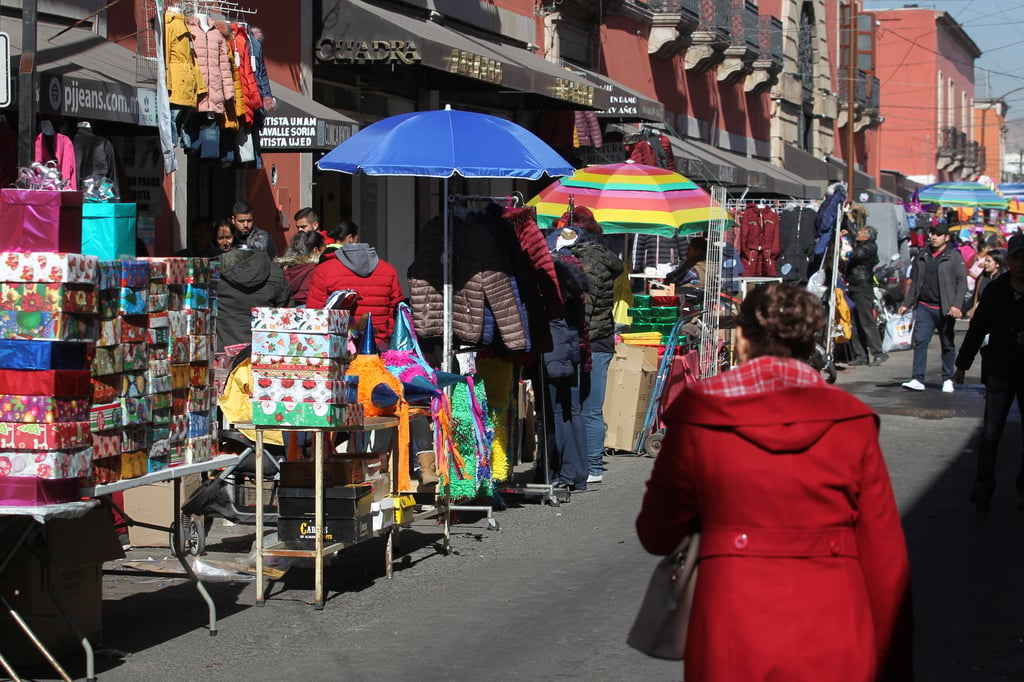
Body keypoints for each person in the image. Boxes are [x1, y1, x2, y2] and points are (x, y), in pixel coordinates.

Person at [636, 281, 913, 681]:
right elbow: (885, 560)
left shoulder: (699, 412)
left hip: (731, 618)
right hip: (834, 620)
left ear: (744, 341)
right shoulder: (851, 420)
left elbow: (656, 533)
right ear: (809, 345)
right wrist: (895, 659)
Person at [954, 236, 1024, 512]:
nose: (1021, 264)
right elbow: (977, 328)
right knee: (991, 434)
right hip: (999, 370)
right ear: (1009, 261)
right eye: (1016, 258)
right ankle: (983, 488)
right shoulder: (997, 290)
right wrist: (962, 364)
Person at [558, 206, 622, 484]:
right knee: (584, 405)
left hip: (594, 340)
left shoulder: (591, 259)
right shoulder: (590, 255)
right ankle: (588, 462)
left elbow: (588, 302)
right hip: (595, 339)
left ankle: (594, 465)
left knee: (589, 406)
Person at [305, 225, 404, 348]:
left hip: (336, 345)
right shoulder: (389, 271)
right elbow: (396, 311)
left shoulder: (323, 271)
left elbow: (314, 313)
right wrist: (387, 336)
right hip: (378, 344)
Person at [898, 223, 967, 393]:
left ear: (946, 237)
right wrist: (907, 303)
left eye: (938, 234)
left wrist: (957, 305)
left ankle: (947, 378)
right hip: (924, 306)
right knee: (921, 341)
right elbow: (915, 282)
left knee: (947, 344)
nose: (934, 237)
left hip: (945, 308)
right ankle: (917, 378)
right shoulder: (923, 255)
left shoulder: (953, 257)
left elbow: (962, 282)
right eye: (932, 233)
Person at [215, 246, 293, 352]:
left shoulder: (214, 272)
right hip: (265, 350)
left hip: (222, 351)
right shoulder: (276, 273)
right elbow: (286, 315)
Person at [844, 224, 888, 366]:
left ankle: (878, 353)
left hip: (863, 288)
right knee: (855, 324)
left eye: (861, 232)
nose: (858, 233)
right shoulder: (862, 245)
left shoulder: (868, 247)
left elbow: (853, 255)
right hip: (855, 287)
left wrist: (846, 245)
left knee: (866, 322)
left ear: (867, 236)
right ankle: (861, 355)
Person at [275, 230, 327, 306]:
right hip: (311, 311)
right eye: (325, 249)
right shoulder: (317, 270)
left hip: (287, 311)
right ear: (316, 250)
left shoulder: (285, 268)